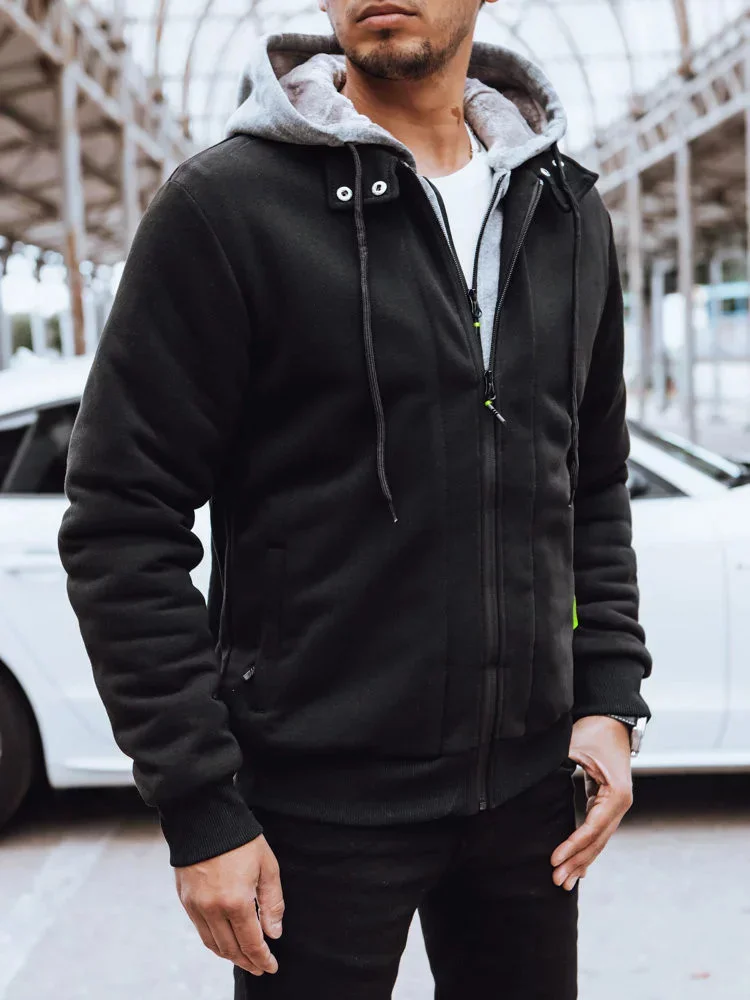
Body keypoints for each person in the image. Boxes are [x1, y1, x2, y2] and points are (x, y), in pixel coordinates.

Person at [58, 1, 652, 997]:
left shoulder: (565, 211)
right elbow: (123, 520)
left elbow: (590, 481)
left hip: (528, 801)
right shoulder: (225, 208)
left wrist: (610, 701)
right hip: (311, 813)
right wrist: (201, 803)